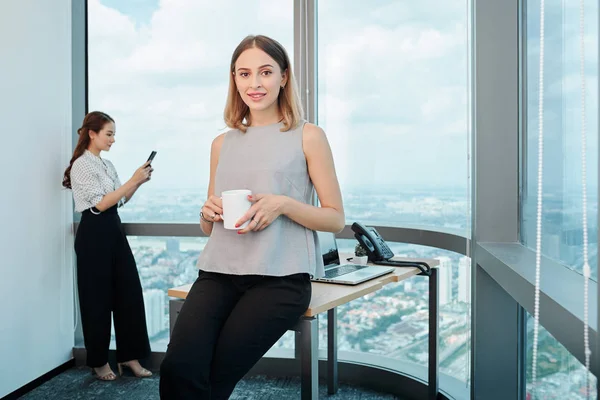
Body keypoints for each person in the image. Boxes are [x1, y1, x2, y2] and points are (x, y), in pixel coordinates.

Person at [159, 35, 345, 399]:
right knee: (178, 368)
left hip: (280, 279)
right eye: (244, 74)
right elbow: (207, 226)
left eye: (265, 72)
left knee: (215, 376)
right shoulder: (221, 143)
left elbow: (335, 218)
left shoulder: (308, 137)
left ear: (284, 76)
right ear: (234, 79)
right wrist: (206, 211)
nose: (254, 84)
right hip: (218, 273)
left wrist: (283, 205)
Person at [62, 111, 154, 381]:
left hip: (114, 229)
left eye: (114, 134)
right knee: (97, 300)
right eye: (109, 133)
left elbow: (118, 200)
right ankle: (99, 361)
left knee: (129, 294)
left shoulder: (107, 165)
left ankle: (130, 356)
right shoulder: (82, 165)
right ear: (92, 133)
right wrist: (133, 180)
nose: (113, 139)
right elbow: (100, 204)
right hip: (93, 232)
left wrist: (138, 183)